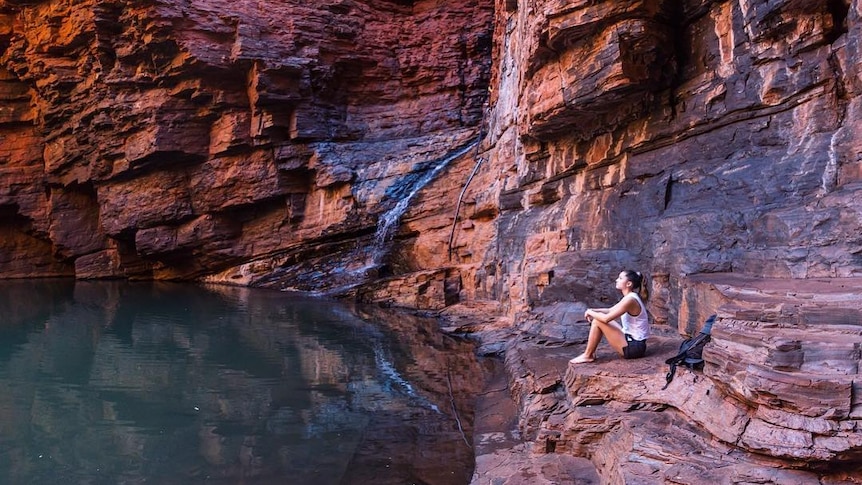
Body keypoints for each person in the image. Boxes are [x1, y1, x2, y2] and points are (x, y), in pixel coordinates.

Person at [569, 270, 650, 364]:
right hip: (631, 340)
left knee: (598, 321)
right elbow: (610, 310)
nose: (616, 280)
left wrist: (590, 312)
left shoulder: (630, 300)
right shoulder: (630, 297)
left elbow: (606, 319)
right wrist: (593, 310)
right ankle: (590, 353)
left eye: (620, 278)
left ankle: (588, 355)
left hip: (634, 348)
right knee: (598, 319)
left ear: (628, 284)